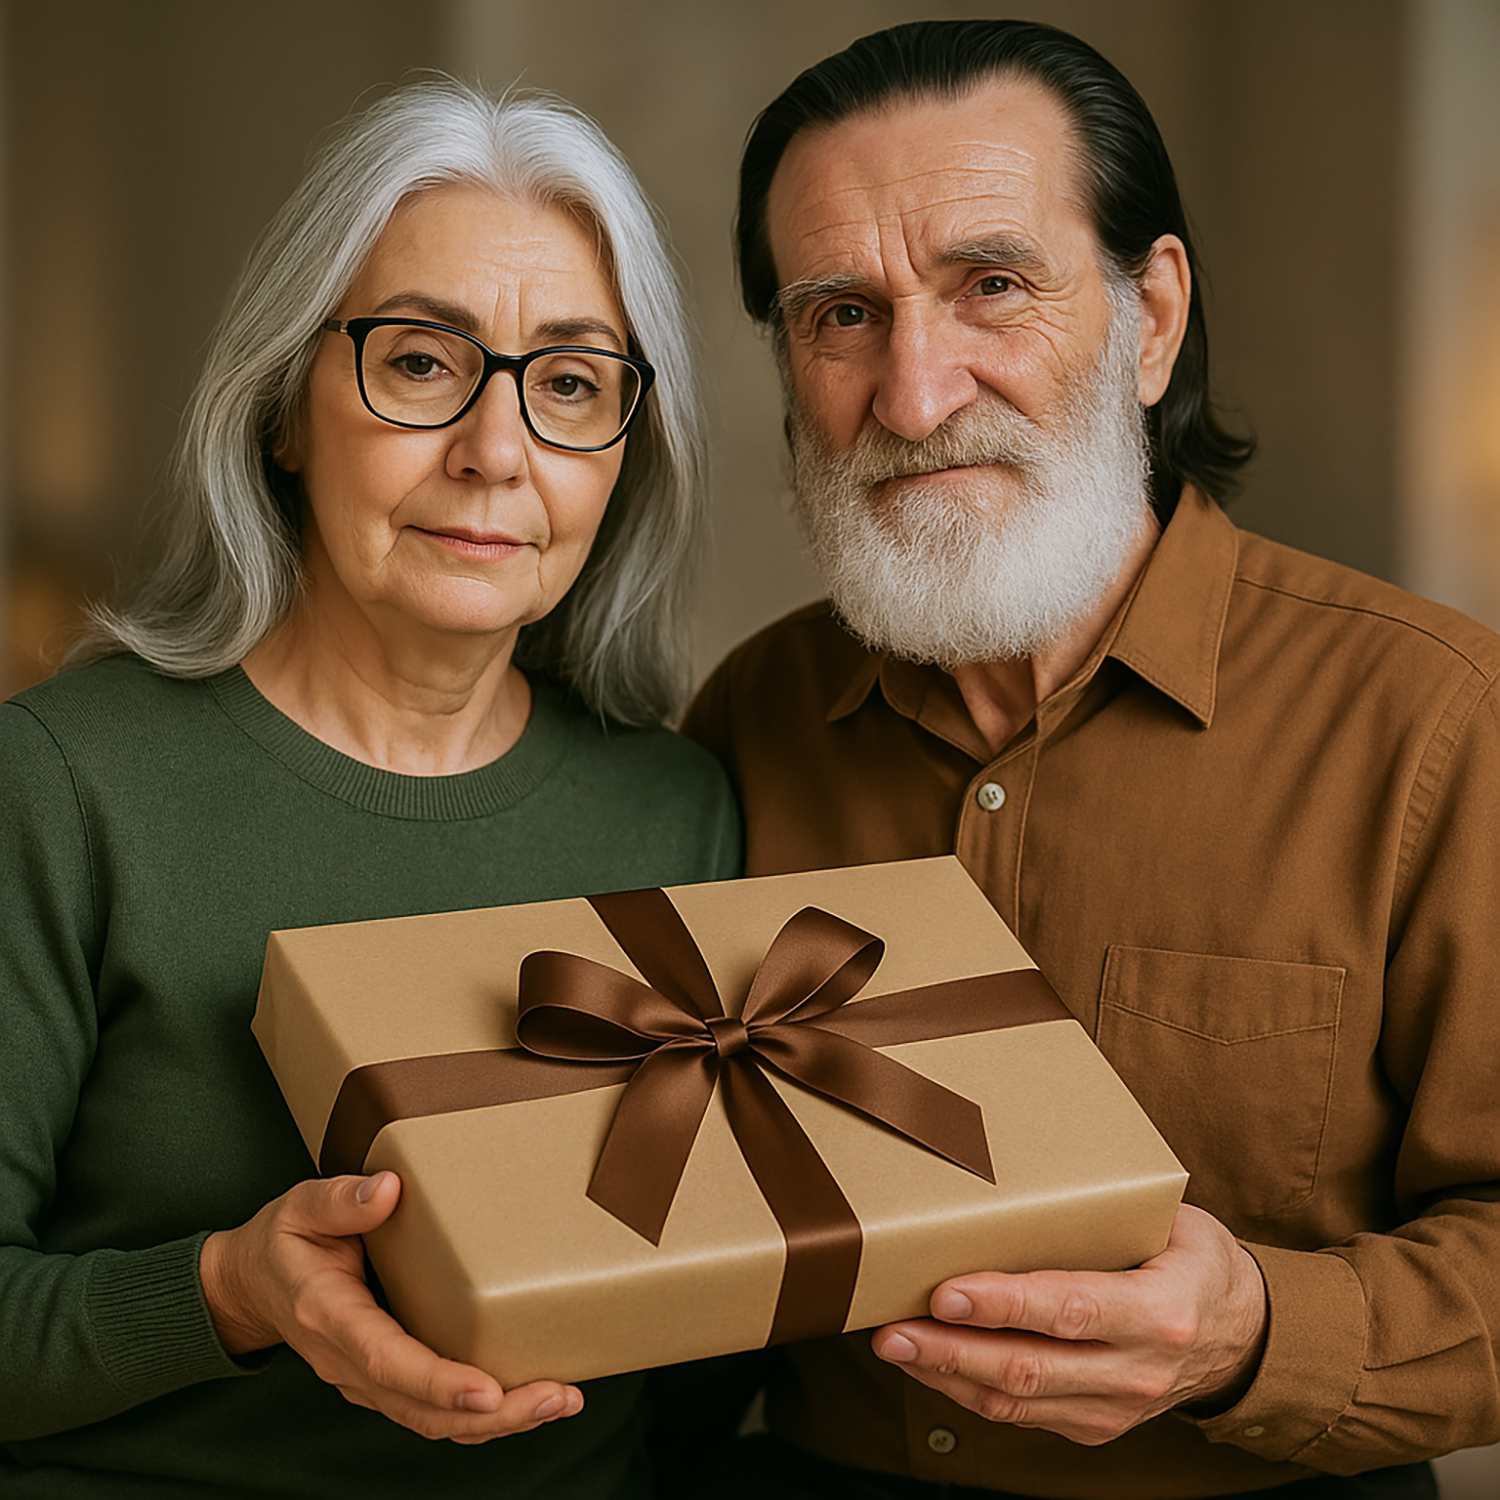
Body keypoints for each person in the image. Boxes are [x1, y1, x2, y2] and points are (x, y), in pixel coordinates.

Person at [682, 19, 1500, 1500]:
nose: (915, 395)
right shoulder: (748, 715)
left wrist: (1257, 1335)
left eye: (992, 286)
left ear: (1153, 318)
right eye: (842, 315)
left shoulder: (1437, 721)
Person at [0, 81, 738, 1499]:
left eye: (570, 384)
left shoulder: (679, 811)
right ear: (286, 410)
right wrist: (228, 1288)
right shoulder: (60, 784)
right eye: (418, 362)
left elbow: (700, 1351)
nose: (496, 452)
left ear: (625, 455)